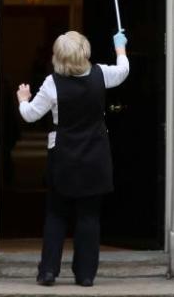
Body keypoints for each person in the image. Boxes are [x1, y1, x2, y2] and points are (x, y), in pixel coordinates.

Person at [16, 30, 129, 287]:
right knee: (89, 216)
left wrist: (23, 100)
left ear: (58, 56)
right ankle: (86, 274)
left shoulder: (52, 83)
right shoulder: (101, 74)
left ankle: (48, 271)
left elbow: (31, 115)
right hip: (96, 156)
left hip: (64, 156)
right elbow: (123, 71)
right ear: (84, 52)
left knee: (56, 214)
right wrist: (119, 47)